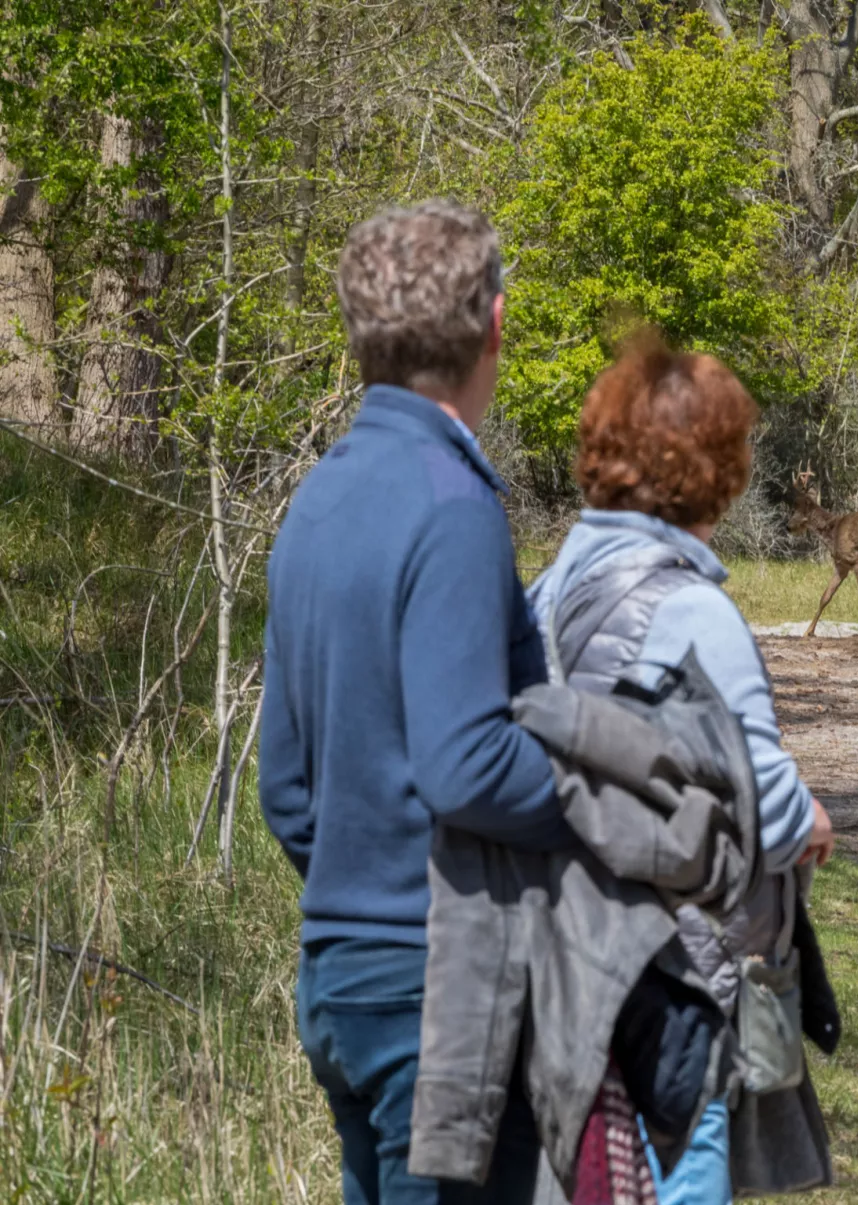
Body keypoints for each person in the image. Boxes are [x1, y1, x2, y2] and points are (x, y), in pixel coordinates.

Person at [259, 200, 564, 1205]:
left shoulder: (319, 498)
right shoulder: (453, 503)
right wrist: (595, 786)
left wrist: (361, 883)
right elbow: (464, 760)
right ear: (496, 325)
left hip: (341, 982)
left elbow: (289, 792)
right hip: (442, 992)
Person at [530, 332, 836, 1204]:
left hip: (568, 970)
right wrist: (815, 820)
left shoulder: (549, 589)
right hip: (678, 985)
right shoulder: (692, 606)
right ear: (714, 470)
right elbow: (769, 807)